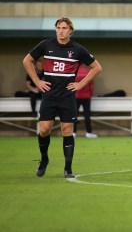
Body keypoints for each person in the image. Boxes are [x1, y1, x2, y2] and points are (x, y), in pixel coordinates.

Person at [23, 17, 102, 178]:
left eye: (64, 28)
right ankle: (44, 159)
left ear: (70, 31)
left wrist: (80, 84)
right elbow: (27, 60)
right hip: (49, 96)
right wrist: (37, 81)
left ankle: (68, 169)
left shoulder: (78, 49)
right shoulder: (46, 44)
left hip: (67, 97)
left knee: (67, 131)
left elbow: (97, 68)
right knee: (44, 130)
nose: (61, 30)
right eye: (58, 27)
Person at [73, 66, 97, 138]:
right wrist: (90, 94)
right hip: (86, 96)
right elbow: (91, 85)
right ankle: (89, 132)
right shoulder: (88, 71)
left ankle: (73, 132)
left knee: (74, 115)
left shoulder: (74, 71)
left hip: (75, 96)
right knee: (87, 115)